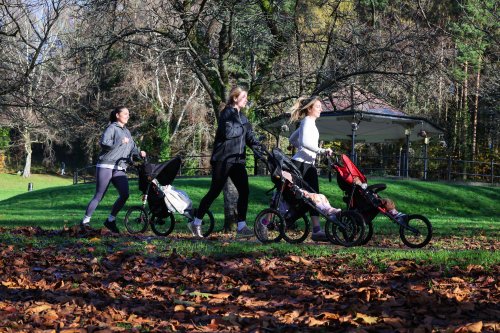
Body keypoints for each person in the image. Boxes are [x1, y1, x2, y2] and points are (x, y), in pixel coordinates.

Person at [188, 87, 262, 239]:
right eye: (243, 97)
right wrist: (244, 128)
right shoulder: (226, 113)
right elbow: (228, 133)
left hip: (237, 160)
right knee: (214, 191)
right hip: (223, 159)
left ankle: (241, 227)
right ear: (235, 98)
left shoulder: (243, 117)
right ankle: (196, 222)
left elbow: (250, 138)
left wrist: (260, 147)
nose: (246, 100)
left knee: (244, 191)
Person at [80, 106, 146, 234]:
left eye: (129, 114)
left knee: (125, 194)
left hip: (119, 167)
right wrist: (119, 142)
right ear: (117, 115)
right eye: (125, 113)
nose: (128, 116)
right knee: (99, 195)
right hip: (106, 165)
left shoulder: (127, 131)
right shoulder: (112, 128)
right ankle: (85, 222)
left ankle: (110, 220)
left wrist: (140, 153)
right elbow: (104, 143)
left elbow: (132, 148)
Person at [288, 96, 333, 241]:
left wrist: (304, 150)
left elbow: (292, 140)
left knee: (314, 195)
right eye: (318, 106)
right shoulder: (307, 121)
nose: (321, 109)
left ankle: (316, 230)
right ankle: (288, 219)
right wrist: (321, 150)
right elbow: (304, 142)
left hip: (308, 164)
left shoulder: (308, 123)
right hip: (301, 165)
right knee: (306, 197)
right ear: (309, 109)